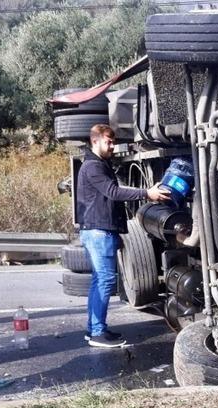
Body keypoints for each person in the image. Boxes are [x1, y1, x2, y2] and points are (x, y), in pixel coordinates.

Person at [78, 124, 169, 348]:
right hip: (98, 231)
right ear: (95, 141)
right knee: (106, 280)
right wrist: (147, 193)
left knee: (100, 281)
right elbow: (113, 192)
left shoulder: (99, 164)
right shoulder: (92, 166)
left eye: (113, 142)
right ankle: (97, 332)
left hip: (99, 230)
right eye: (108, 142)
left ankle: (95, 330)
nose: (112, 146)